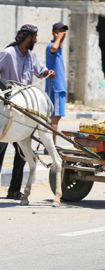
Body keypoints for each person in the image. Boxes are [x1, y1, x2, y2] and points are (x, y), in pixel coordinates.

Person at [0, 24, 55, 200]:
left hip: (25, 111)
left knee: (22, 153)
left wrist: (48, 73)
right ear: (28, 38)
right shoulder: (8, 54)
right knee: (0, 149)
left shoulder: (31, 56)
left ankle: (14, 191)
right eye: (35, 37)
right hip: (8, 109)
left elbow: (40, 72)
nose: (37, 40)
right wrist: (3, 84)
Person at [45, 22, 69, 152]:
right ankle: (51, 146)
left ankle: (49, 145)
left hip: (59, 87)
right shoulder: (52, 46)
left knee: (55, 118)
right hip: (55, 87)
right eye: (60, 32)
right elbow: (53, 48)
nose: (63, 35)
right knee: (54, 117)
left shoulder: (58, 48)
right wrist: (58, 37)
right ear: (54, 33)